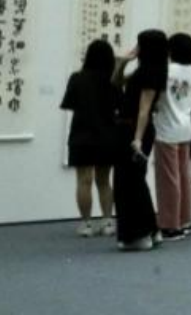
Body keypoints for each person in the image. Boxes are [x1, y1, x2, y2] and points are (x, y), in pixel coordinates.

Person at [112, 30, 169, 252]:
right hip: (130, 128)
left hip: (135, 130)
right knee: (135, 181)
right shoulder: (144, 70)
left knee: (128, 183)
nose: (136, 48)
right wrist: (122, 63)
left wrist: (137, 139)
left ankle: (139, 235)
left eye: (140, 44)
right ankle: (151, 231)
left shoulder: (150, 72)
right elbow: (116, 82)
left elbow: (144, 110)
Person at [155, 34, 191, 241]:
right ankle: (185, 221)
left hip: (167, 131)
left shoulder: (167, 70)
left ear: (171, 50)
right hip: (186, 130)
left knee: (168, 180)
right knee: (183, 177)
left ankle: (170, 226)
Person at [59, 40, 120, 238]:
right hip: (107, 134)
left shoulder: (77, 78)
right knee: (104, 181)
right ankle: (108, 222)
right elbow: (120, 105)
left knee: (84, 180)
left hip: (82, 134)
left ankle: (86, 224)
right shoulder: (113, 80)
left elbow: (69, 104)